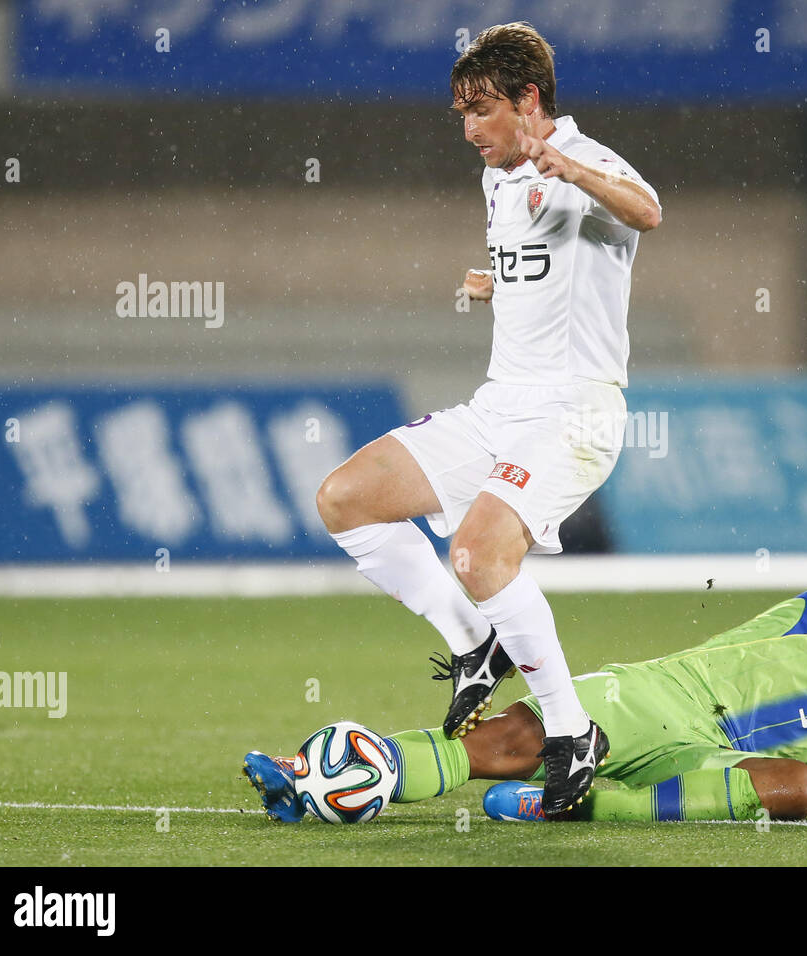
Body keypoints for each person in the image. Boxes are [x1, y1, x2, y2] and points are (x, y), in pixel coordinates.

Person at [313, 22, 661, 816]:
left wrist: (568, 165)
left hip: (573, 414)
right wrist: (497, 287)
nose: (468, 129)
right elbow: (557, 279)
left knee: (476, 553)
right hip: (499, 406)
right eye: (461, 114)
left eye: (482, 111)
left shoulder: (583, 159)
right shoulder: (499, 178)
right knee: (345, 498)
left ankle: (573, 732)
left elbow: (647, 213)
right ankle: (475, 639)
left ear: (529, 100)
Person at [245, 509, 807, 824]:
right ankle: (318, 777)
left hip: (710, 757)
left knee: (797, 789)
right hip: (667, 695)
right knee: (510, 744)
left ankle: (580, 806)